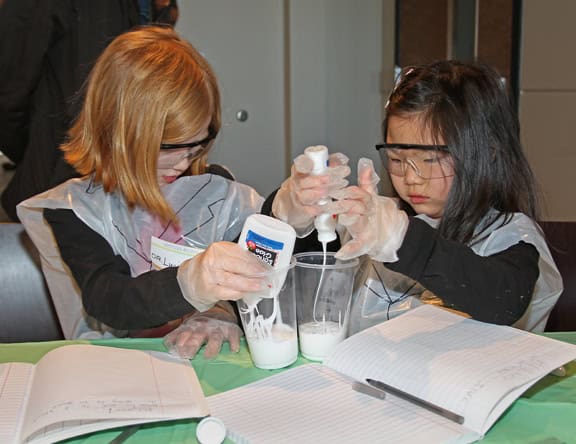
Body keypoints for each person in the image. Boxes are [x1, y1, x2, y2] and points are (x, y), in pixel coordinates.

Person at [17, 26, 270, 359]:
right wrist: (189, 284)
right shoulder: (75, 209)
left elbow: (263, 273)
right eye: (169, 147)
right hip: (120, 364)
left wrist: (221, 310)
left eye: (197, 145)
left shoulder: (214, 192)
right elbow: (108, 299)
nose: (183, 163)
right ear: (117, 131)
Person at [266, 60, 562, 333]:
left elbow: (504, 299)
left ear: (488, 154)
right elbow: (277, 270)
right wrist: (289, 212)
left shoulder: (510, 237)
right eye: (396, 159)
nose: (410, 178)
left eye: (430, 160)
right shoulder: (377, 220)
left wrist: (401, 239)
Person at [0, 0, 178, 222]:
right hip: (52, 195)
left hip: (120, 202)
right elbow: (8, 93)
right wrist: (41, 153)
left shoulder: (158, 7)